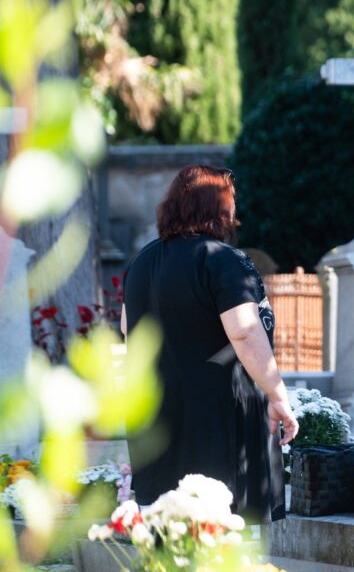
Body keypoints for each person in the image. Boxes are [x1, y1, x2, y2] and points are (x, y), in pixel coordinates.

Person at [122, 165, 298, 522]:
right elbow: (245, 332)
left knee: (168, 532)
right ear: (219, 210)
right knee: (220, 528)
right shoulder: (223, 260)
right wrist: (277, 395)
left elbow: (128, 330)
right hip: (216, 423)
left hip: (155, 420)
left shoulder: (141, 262)